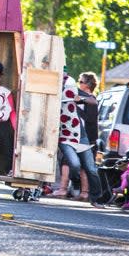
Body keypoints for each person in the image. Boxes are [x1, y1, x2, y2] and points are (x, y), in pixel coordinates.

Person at [55, 70, 105, 209]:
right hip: (65, 136)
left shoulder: (76, 92)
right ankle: (75, 182)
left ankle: (96, 199)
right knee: (75, 164)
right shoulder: (57, 92)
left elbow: (93, 101)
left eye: (80, 82)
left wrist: (80, 99)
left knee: (91, 168)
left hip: (81, 137)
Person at [71, 72, 99, 199]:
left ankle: (86, 192)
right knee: (77, 164)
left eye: (81, 82)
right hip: (80, 136)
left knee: (87, 167)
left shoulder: (92, 100)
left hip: (88, 137)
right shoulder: (83, 99)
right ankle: (79, 190)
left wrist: (77, 109)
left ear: (88, 85)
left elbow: (90, 119)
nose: (79, 84)